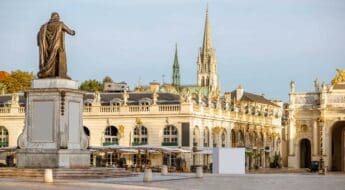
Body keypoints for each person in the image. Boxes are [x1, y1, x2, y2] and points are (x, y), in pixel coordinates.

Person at [37, 12, 75, 79]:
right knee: (59, 59)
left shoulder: (44, 26)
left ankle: (48, 73)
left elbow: (39, 35)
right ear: (57, 17)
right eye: (58, 17)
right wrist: (73, 32)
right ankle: (61, 74)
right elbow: (70, 32)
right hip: (57, 46)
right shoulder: (60, 24)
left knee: (50, 59)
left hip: (47, 48)